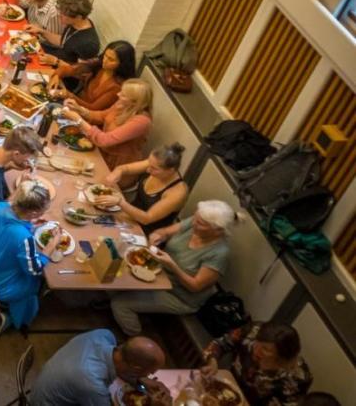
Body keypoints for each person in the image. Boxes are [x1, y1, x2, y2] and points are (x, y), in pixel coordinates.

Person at [110, 201, 235, 336]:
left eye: (201, 224)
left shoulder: (219, 253)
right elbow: (164, 232)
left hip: (179, 295)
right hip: (160, 274)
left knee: (120, 304)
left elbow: (195, 287)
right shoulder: (195, 223)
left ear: (218, 230)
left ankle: (134, 337)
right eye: (195, 218)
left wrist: (172, 265)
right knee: (116, 276)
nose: (194, 224)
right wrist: (157, 237)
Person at [0, 178, 57, 332]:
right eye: (42, 211)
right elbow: (34, 269)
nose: (42, 214)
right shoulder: (24, 238)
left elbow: (2, 228)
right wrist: (50, 247)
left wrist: (29, 224)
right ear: (33, 212)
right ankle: (10, 317)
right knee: (36, 283)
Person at [29, 330, 167, 405]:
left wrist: (139, 381)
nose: (151, 375)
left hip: (44, 389)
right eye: (150, 372)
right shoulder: (92, 384)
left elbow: (122, 365)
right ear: (136, 368)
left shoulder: (103, 335)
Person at [202, 322, 313, 405]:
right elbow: (220, 343)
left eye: (265, 349)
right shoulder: (254, 330)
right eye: (257, 344)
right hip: (224, 384)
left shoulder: (299, 379)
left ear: (282, 358)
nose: (256, 350)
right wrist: (213, 361)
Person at [95, 143, 189, 235]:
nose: (148, 170)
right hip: (128, 217)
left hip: (144, 232)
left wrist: (120, 202)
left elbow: (146, 219)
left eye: (153, 168)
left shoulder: (178, 192)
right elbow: (124, 168)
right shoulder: (153, 164)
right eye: (149, 164)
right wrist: (116, 173)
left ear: (171, 170)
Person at [61, 79, 153, 169]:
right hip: (99, 153)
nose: (118, 94)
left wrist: (78, 119)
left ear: (135, 102)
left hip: (115, 166)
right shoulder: (122, 104)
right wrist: (80, 109)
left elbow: (104, 140)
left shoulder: (141, 121)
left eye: (123, 95)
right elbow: (101, 116)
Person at [31, 0, 101, 91]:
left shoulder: (88, 44)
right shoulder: (74, 24)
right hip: (53, 61)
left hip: (64, 80)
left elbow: (82, 74)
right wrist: (42, 32)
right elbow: (64, 41)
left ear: (79, 17)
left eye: (63, 15)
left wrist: (56, 61)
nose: (60, 17)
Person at [52, 41, 136, 112]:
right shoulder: (99, 66)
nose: (105, 60)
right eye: (105, 55)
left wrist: (69, 95)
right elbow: (70, 69)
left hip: (85, 116)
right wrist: (57, 75)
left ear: (122, 64)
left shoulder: (117, 86)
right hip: (72, 105)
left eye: (111, 59)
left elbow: (93, 109)